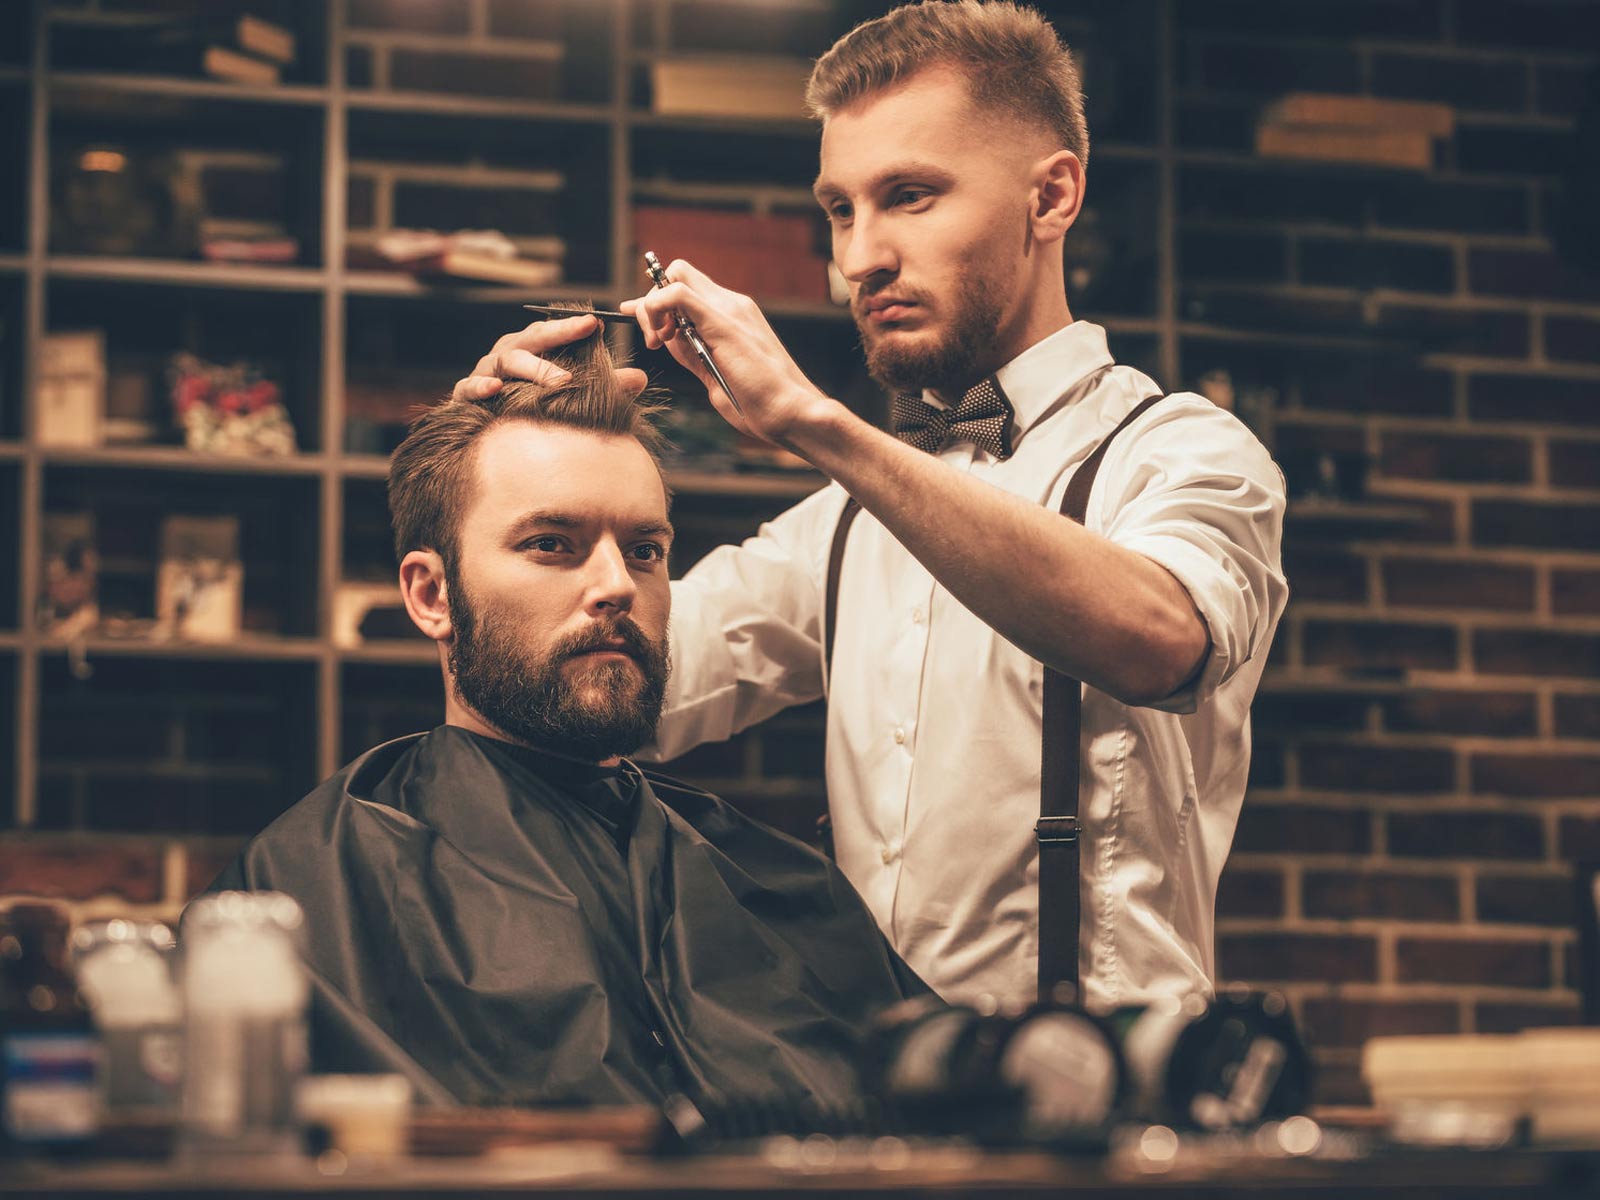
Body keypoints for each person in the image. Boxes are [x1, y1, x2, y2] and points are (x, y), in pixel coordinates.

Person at [453, 1, 1288, 1014]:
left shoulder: (1182, 449)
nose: (858, 259)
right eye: (840, 211)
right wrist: (494, 477)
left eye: (909, 197)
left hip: (1112, 1115)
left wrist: (817, 424)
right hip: (880, 1105)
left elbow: (1160, 640)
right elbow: (604, 686)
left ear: (1052, 195)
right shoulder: (840, 526)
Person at [206, 331, 924, 1111]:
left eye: (646, 550)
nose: (617, 583)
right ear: (431, 597)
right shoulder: (320, 880)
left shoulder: (777, 885)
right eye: (553, 545)